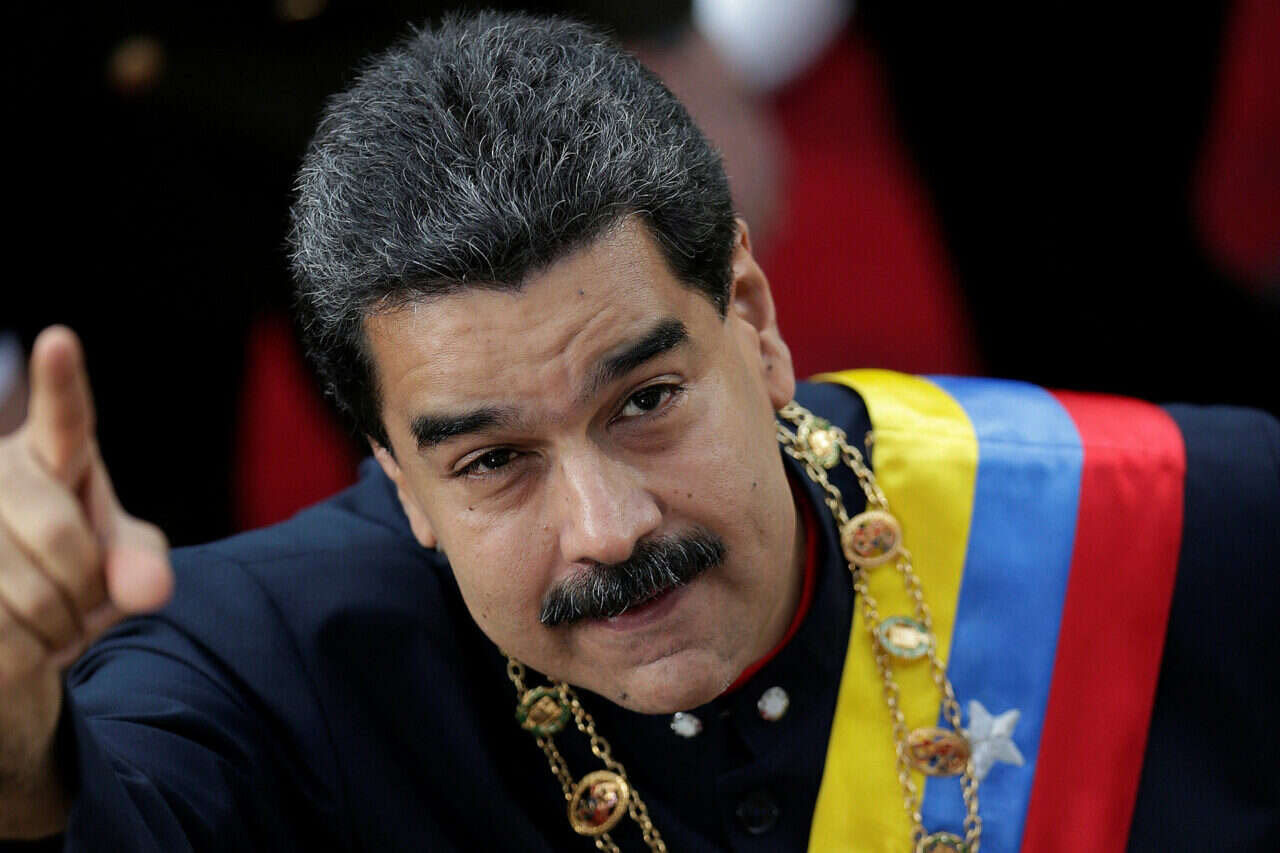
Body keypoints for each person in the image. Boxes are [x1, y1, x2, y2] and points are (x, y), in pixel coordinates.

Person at [0, 11, 1276, 852]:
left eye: (646, 402)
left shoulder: (1189, 521)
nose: (609, 529)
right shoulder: (260, 665)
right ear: (395, 478)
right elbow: (94, 803)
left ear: (753, 323)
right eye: (492, 463)